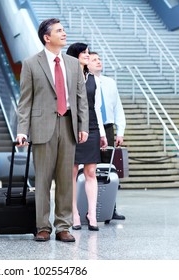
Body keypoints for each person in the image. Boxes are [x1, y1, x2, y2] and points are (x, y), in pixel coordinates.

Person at [16, 18, 89, 242]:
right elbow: (25, 100)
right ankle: (42, 226)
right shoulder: (30, 64)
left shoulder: (73, 64)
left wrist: (83, 125)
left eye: (64, 30)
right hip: (42, 127)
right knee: (43, 180)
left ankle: (63, 226)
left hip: (68, 125)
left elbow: (81, 98)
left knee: (66, 179)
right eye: (59, 31)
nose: (64, 33)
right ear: (47, 37)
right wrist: (22, 130)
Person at [66, 43, 108, 231]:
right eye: (83, 52)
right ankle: (73, 213)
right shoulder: (67, 76)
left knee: (91, 172)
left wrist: (103, 133)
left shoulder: (94, 80)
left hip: (91, 127)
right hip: (71, 126)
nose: (87, 55)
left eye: (88, 52)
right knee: (72, 173)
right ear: (75, 56)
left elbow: (97, 108)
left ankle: (91, 214)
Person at [88, 51, 126, 220]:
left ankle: (111, 208)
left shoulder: (110, 83)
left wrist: (120, 131)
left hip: (108, 128)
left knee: (108, 170)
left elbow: (118, 108)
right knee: (89, 169)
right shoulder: (85, 82)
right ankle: (88, 208)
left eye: (99, 59)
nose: (98, 62)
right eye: (94, 59)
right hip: (90, 128)